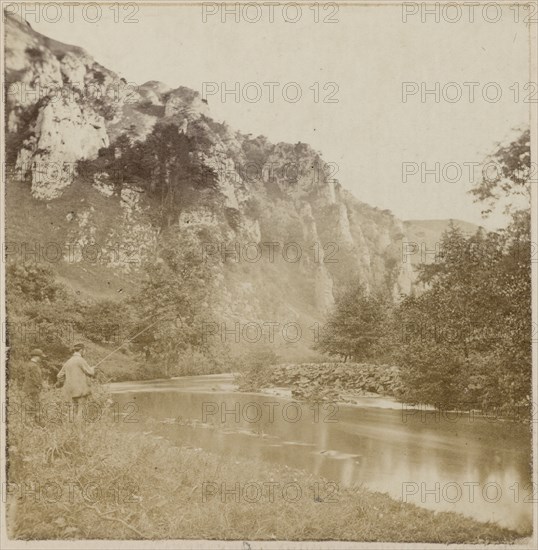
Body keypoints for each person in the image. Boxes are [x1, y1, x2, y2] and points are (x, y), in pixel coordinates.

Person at [57, 343, 95, 416]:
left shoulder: (68, 361)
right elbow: (90, 372)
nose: (85, 352)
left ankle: (71, 426)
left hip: (70, 391)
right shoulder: (81, 360)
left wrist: (63, 383)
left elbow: (59, 375)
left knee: (72, 411)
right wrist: (92, 369)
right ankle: (79, 426)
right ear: (81, 350)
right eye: (84, 350)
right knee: (80, 411)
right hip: (80, 391)